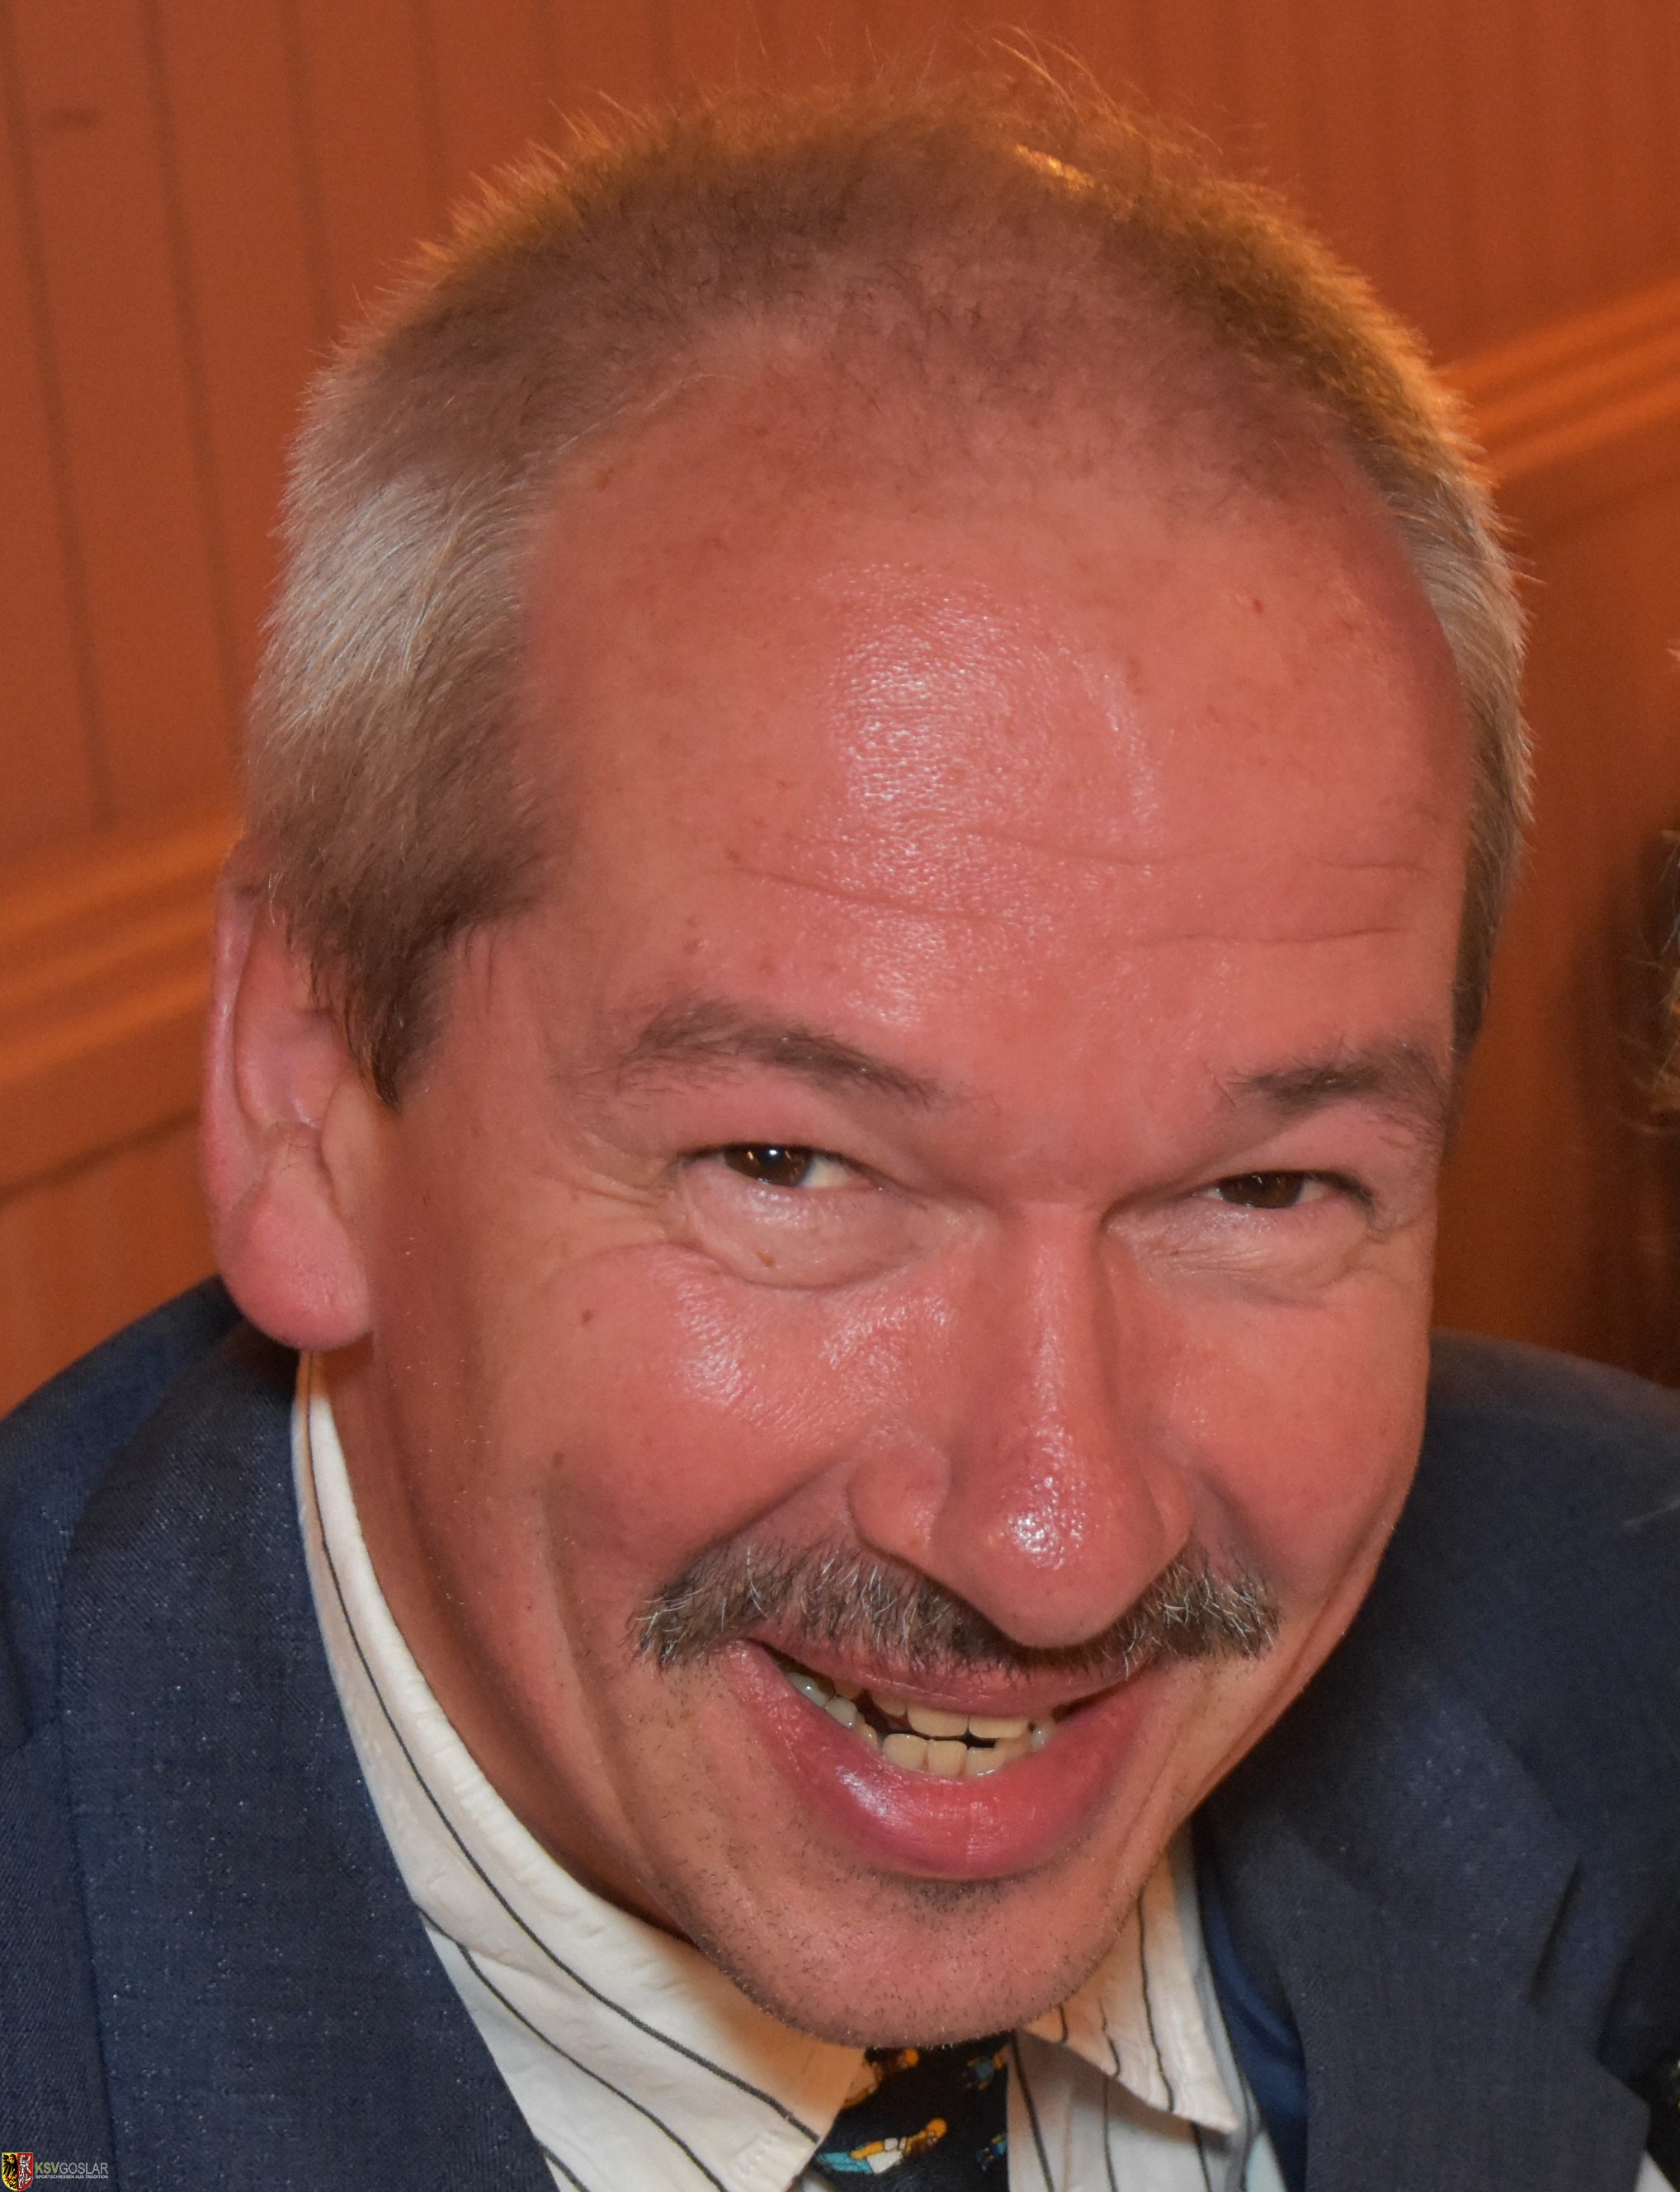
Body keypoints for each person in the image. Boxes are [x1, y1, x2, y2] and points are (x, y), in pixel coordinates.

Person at [3, 75, 1679, 2192]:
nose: (1055, 1540)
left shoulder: (1623, 1644)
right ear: (306, 1094)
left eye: (1261, 1188)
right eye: (792, 1166)